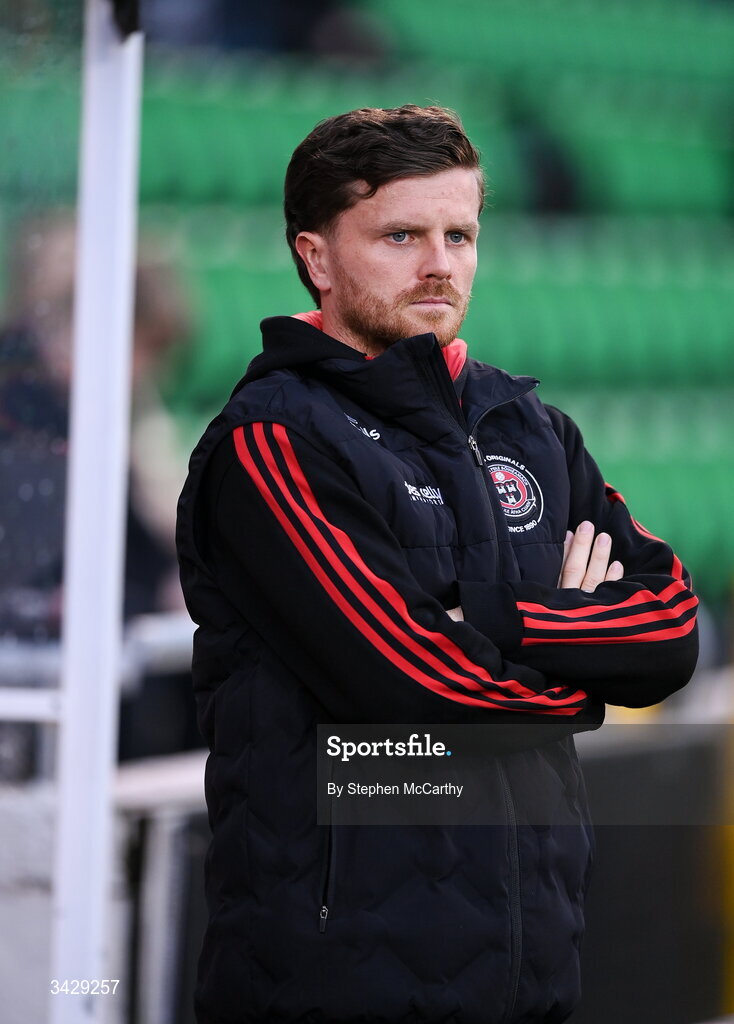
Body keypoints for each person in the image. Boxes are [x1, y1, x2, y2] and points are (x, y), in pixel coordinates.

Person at [176, 106, 698, 1024]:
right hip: (338, 975)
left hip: (531, 959)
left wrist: (495, 621)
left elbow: (669, 635)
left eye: (460, 234)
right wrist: (579, 684)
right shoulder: (274, 441)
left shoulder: (527, 426)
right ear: (317, 257)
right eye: (401, 235)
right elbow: (416, 684)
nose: (439, 264)